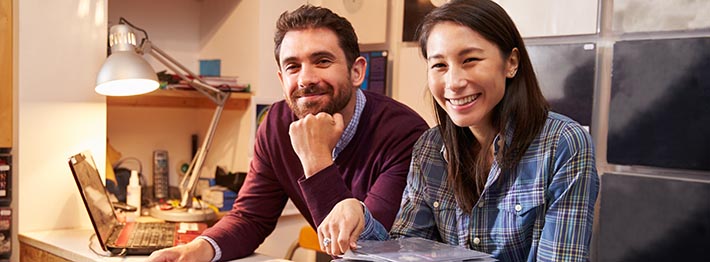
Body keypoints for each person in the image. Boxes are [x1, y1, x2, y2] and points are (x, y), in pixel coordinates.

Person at [317, 0, 599, 261]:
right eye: (439, 65)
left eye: (470, 60)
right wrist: (359, 215)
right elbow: (408, 251)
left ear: (511, 63)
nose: (453, 82)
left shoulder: (563, 144)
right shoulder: (429, 147)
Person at [147, 4, 428, 262]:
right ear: (282, 79)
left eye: (322, 61)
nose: (305, 79)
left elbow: (362, 249)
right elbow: (251, 218)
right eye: (293, 66)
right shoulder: (275, 124)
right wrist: (197, 249)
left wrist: (316, 159)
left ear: (356, 72)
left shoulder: (405, 134)